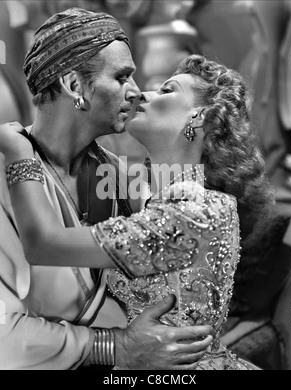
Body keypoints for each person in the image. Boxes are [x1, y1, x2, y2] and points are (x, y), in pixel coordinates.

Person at [0, 53, 273, 369]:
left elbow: (45, 245)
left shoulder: (197, 213)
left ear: (201, 117)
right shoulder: (148, 202)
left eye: (166, 90)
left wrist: (18, 154)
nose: (142, 93)